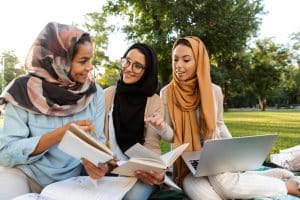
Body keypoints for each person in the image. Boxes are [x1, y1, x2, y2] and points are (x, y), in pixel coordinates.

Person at [160, 36, 300, 199]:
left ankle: (286, 186)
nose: (179, 65)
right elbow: (171, 138)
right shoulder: (166, 93)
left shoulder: (214, 91)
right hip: (187, 166)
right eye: (175, 59)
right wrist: (161, 126)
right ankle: (262, 177)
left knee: (226, 186)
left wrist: (234, 153)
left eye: (186, 60)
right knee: (207, 197)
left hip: (215, 157)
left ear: (199, 61)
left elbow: (219, 125)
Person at [0, 22, 108, 200]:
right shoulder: (22, 91)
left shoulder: (95, 93)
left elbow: (99, 143)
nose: (90, 67)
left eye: (90, 60)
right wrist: (60, 134)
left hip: (72, 181)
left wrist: (96, 162)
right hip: (26, 175)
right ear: (59, 61)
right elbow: (5, 153)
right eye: (83, 61)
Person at [102, 43, 173, 200]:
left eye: (137, 66)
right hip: (108, 166)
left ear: (147, 72)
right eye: (127, 61)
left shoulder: (154, 102)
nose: (128, 68)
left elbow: (152, 147)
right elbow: (98, 138)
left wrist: (155, 173)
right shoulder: (107, 95)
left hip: (140, 172)